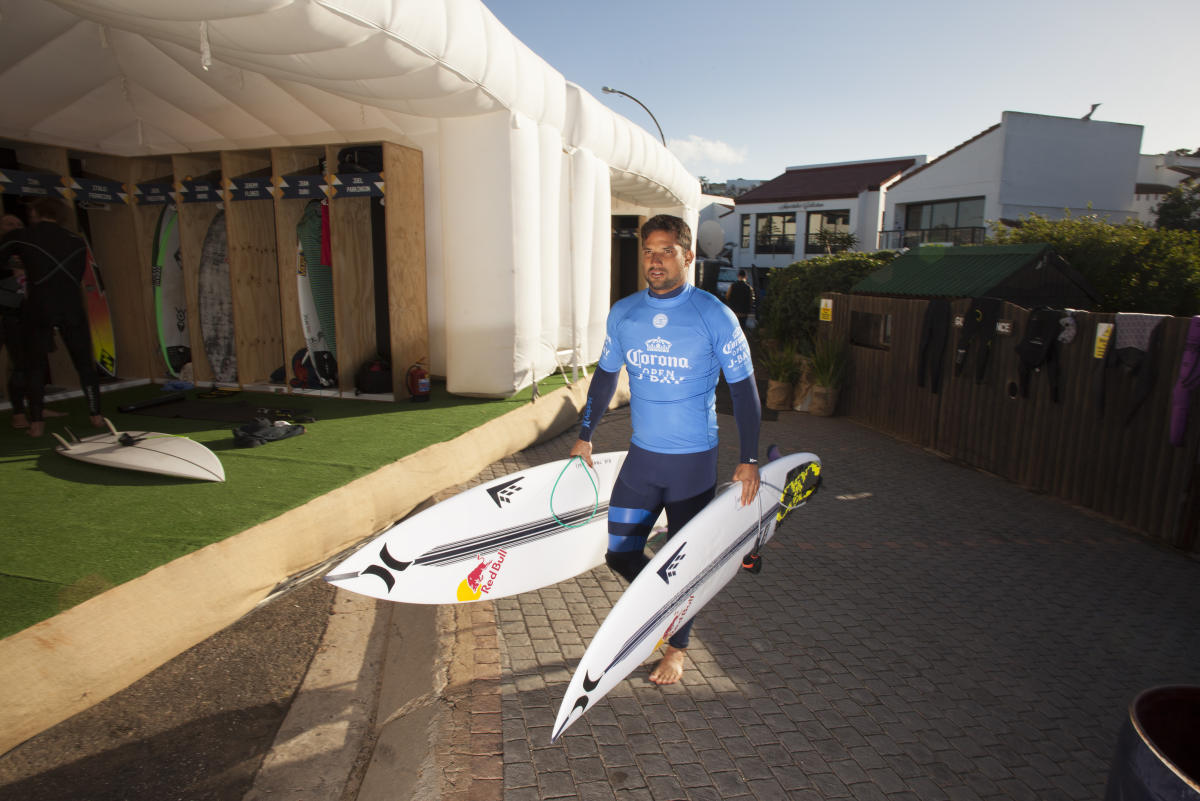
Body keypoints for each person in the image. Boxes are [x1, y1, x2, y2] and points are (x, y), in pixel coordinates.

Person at [568, 214, 761, 685]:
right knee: (620, 554)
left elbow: (743, 391)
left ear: (688, 256)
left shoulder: (713, 314)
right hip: (642, 457)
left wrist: (749, 458)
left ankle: (675, 649)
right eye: (648, 251)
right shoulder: (625, 313)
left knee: (684, 558)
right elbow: (606, 378)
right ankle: (669, 601)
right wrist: (584, 434)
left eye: (666, 251)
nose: (654, 260)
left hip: (692, 463)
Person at [0, 198, 101, 437]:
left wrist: (21, 264)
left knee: (34, 365)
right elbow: (76, 274)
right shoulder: (76, 240)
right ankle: (96, 414)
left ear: (34, 211)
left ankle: (36, 423)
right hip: (71, 306)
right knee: (84, 363)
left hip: (39, 306)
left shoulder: (23, 235)